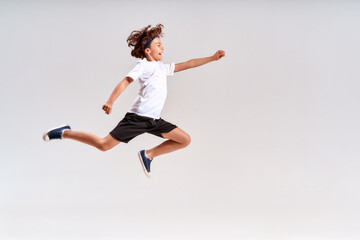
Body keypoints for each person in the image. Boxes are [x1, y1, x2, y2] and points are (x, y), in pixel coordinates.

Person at [43, 24, 225, 178]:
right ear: (148, 50)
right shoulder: (144, 66)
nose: (163, 48)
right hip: (137, 119)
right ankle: (65, 132)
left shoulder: (163, 68)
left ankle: (149, 155)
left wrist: (212, 58)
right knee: (103, 145)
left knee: (184, 140)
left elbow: (189, 63)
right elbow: (125, 81)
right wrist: (110, 101)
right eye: (159, 45)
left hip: (154, 120)